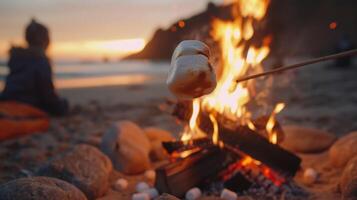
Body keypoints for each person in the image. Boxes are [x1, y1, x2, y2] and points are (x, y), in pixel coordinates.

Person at [0, 19, 69, 116]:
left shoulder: (17, 58)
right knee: (63, 105)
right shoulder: (40, 60)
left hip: (5, 101)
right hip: (28, 105)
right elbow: (48, 95)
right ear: (45, 40)